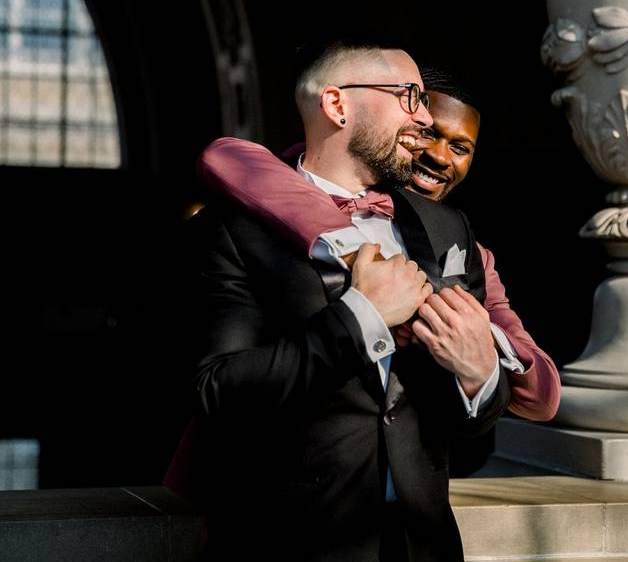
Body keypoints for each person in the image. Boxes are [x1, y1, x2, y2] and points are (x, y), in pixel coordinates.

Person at [187, 42, 511, 561]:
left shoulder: (447, 227)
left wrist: (480, 377)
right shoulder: (231, 232)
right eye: (410, 97)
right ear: (337, 106)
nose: (426, 117)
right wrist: (362, 319)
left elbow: (468, 429)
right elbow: (217, 392)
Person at [196, 71, 560, 423]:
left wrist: (472, 335)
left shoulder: (468, 248)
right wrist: (357, 252)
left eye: (460, 148)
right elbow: (226, 156)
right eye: (428, 133)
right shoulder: (286, 191)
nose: (440, 156)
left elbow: (542, 397)